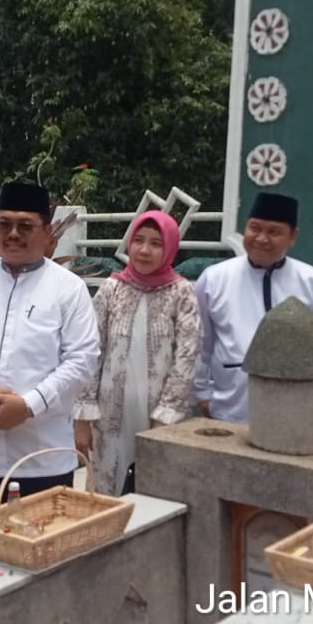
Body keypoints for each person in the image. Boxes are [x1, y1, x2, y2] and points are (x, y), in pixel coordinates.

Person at [0, 182, 100, 558]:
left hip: (42, 456)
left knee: (41, 560)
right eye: (4, 224)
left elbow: (83, 358)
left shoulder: (69, 289)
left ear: (47, 232)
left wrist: (29, 404)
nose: (13, 234)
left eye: (25, 225)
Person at [193, 192, 313, 423]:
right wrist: (202, 394)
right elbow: (201, 342)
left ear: (293, 236)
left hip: (298, 410)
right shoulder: (213, 279)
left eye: (273, 231)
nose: (261, 238)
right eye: (255, 228)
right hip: (230, 409)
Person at [74, 211, 201, 494]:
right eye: (139, 241)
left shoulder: (181, 293)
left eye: (156, 243)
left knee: (155, 490)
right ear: (129, 244)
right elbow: (90, 350)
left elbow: (188, 357)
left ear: (169, 248)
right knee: (106, 492)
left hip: (158, 416)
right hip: (108, 416)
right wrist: (83, 416)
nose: (144, 250)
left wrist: (166, 416)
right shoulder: (112, 288)